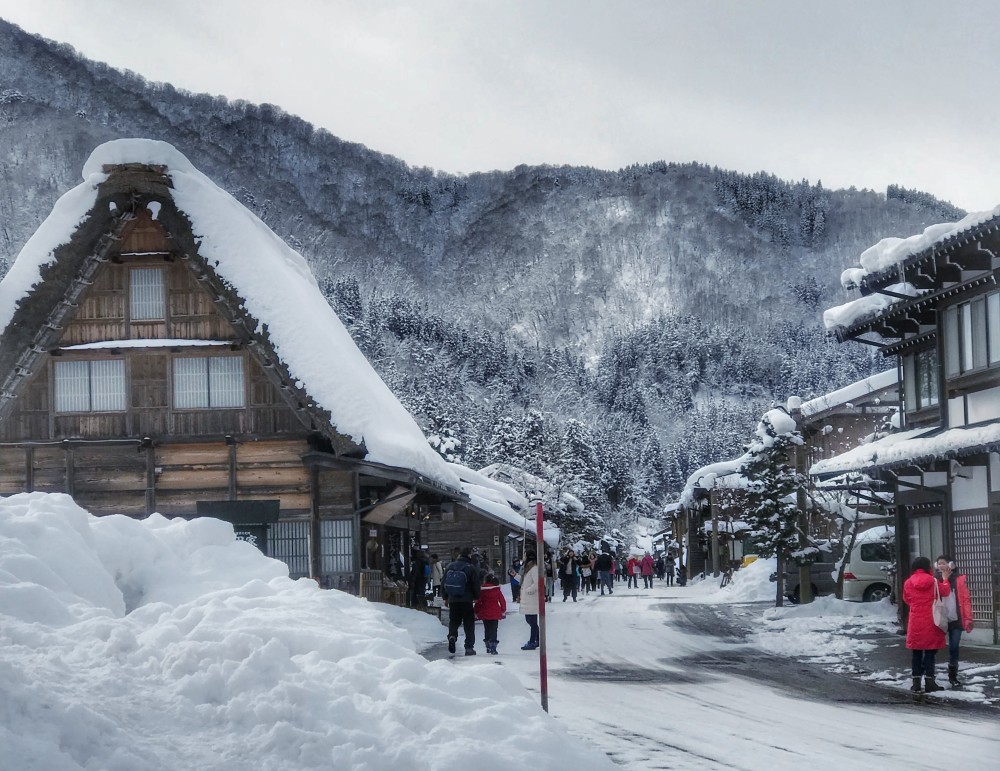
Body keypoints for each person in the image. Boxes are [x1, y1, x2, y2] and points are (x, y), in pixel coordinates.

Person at [902, 556, 950, 692]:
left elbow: (907, 599)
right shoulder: (933, 581)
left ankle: (916, 683)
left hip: (915, 621)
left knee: (916, 653)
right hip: (931, 621)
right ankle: (930, 682)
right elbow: (945, 592)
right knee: (930, 653)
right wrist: (945, 579)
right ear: (927, 567)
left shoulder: (908, 582)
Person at [936, 554, 974, 689]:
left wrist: (968, 618)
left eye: (943, 563)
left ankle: (953, 676)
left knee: (954, 647)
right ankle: (929, 676)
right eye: (939, 563)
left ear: (951, 564)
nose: (941, 566)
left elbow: (966, 600)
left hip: (956, 619)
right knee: (933, 647)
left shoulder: (959, 580)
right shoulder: (934, 580)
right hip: (939, 618)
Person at [443, 546, 482, 656]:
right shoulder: (470, 567)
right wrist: (476, 596)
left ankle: (452, 636)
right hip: (466, 600)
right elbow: (475, 584)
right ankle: (469, 647)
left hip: (453, 599)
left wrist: (445, 597)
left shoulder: (450, 566)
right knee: (468, 623)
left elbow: (443, 583)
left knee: (454, 621)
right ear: (469, 555)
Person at [474, 573, 507, 654]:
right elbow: (502, 600)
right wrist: (503, 610)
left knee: (487, 629)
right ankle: (493, 646)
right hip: (495, 612)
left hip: (485, 612)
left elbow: (478, 602)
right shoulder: (496, 589)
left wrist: (476, 611)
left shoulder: (482, 590)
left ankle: (488, 645)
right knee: (494, 629)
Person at [520, 551, 540, 650]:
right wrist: (514, 575)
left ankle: (533, 641)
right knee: (530, 620)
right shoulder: (528, 568)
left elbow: (537, 583)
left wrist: (528, 590)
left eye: (524, 555)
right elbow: (524, 582)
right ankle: (537, 639)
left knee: (532, 621)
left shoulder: (534, 569)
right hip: (527, 599)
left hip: (531, 599)